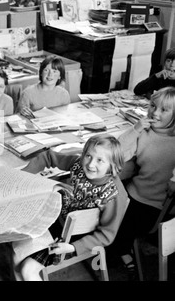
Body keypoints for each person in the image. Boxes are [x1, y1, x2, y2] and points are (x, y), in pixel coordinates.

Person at [12, 134, 128, 281]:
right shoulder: (78, 164)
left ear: (112, 165)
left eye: (100, 160)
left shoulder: (114, 195)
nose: (90, 164)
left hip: (73, 241)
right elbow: (48, 156)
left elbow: (107, 235)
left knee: (27, 269)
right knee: (16, 255)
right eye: (88, 156)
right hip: (56, 221)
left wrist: (73, 247)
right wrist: (21, 176)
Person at [110, 86, 175, 273]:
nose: (155, 112)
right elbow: (117, 153)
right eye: (153, 106)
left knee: (114, 220)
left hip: (155, 207)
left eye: (164, 110)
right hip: (141, 196)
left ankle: (120, 251)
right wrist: (135, 129)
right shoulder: (145, 133)